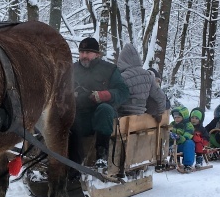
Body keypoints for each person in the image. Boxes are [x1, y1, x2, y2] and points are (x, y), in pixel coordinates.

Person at [70, 37, 130, 170]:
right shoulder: (72, 69)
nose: (84, 56)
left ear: (97, 54)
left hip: (100, 117)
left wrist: (104, 95)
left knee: (104, 109)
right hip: (78, 115)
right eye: (82, 52)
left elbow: (124, 92)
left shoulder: (109, 69)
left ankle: (101, 156)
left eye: (88, 53)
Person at [116, 43, 164, 119]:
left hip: (124, 113)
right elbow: (160, 96)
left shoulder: (122, 77)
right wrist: (160, 112)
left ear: (122, 60)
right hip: (141, 112)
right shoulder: (148, 75)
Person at [170, 106, 195, 172]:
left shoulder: (188, 125)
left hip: (183, 145)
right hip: (172, 145)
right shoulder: (172, 124)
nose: (176, 119)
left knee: (189, 143)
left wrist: (178, 137)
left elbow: (186, 137)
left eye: (179, 117)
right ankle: (161, 162)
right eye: (175, 117)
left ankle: (188, 164)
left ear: (184, 117)